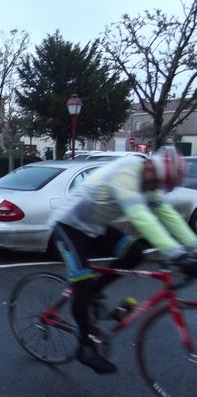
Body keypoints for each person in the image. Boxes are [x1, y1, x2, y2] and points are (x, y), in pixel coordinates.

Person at [50, 146, 197, 374]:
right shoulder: (127, 171)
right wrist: (176, 254)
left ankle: (93, 294)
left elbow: (168, 216)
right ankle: (84, 347)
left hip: (95, 228)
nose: (157, 189)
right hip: (68, 226)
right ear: (151, 169)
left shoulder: (150, 181)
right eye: (158, 183)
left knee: (134, 253)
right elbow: (142, 218)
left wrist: (194, 248)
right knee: (83, 283)